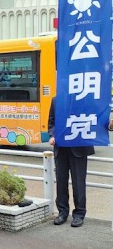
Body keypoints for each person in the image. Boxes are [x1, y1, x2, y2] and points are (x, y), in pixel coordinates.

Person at [48, 97, 95, 227]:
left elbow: (95, 119)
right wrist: (52, 135)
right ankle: (62, 212)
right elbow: (51, 122)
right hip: (61, 148)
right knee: (61, 181)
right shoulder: (56, 100)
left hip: (79, 148)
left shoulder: (86, 99)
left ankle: (79, 214)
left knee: (79, 183)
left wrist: (109, 125)